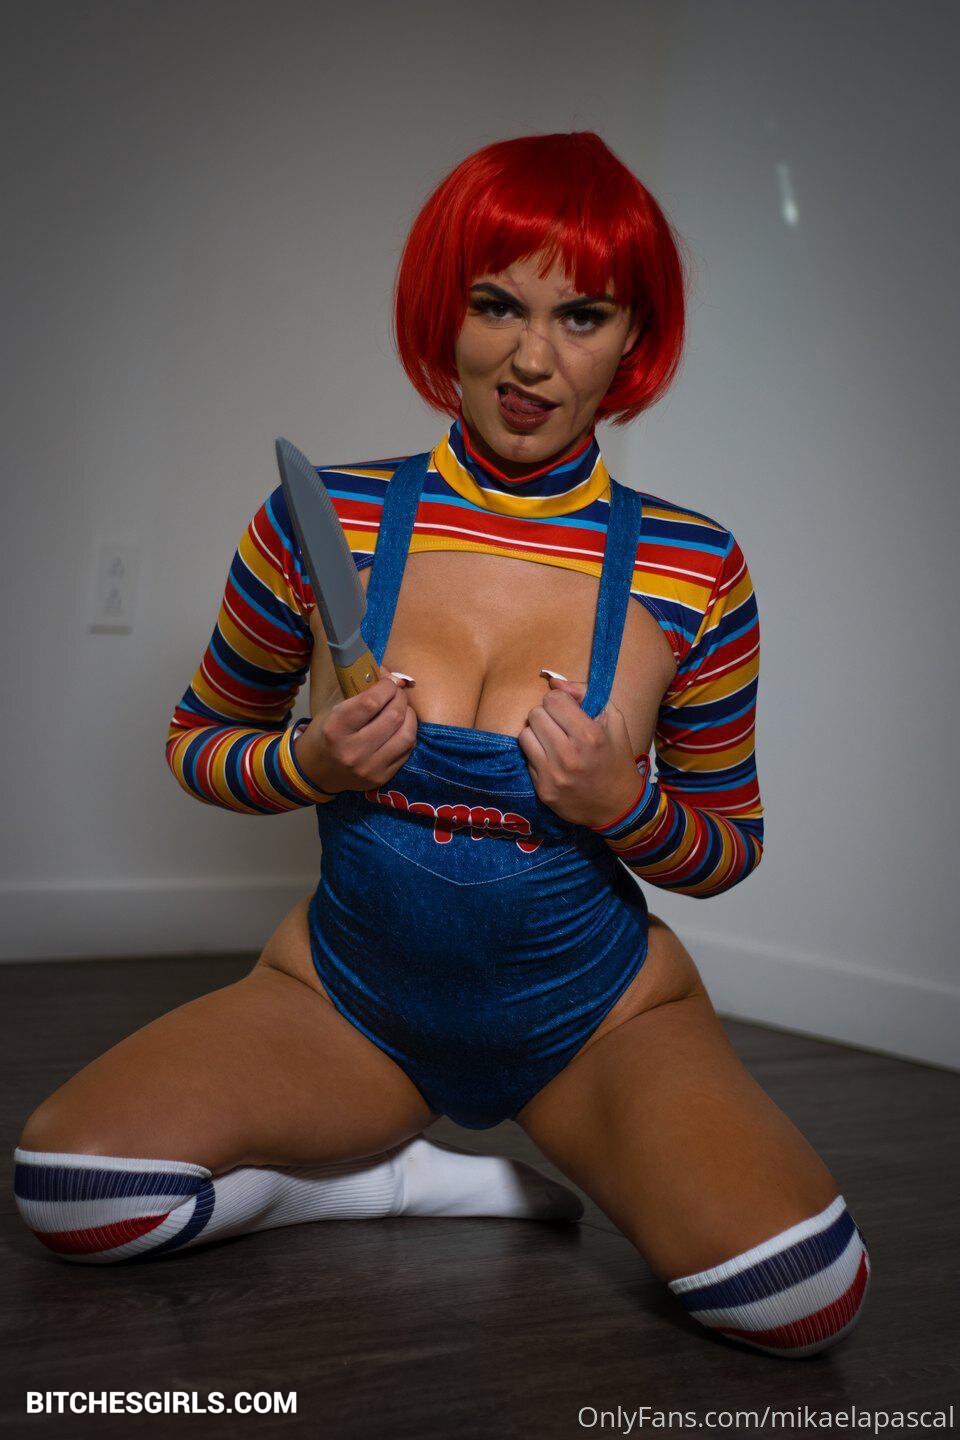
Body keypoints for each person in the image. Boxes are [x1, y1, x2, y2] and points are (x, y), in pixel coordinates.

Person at [13, 131, 870, 1358]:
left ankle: (522, 1150)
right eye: (496, 305)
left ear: (633, 339)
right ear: (444, 312)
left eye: (583, 316)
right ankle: (380, 1182)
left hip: (597, 1021)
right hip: (348, 1000)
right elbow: (198, 740)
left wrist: (622, 803)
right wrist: (309, 764)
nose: (532, 359)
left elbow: (730, 847)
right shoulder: (325, 517)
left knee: (800, 1297)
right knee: (68, 1188)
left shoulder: (696, 564)